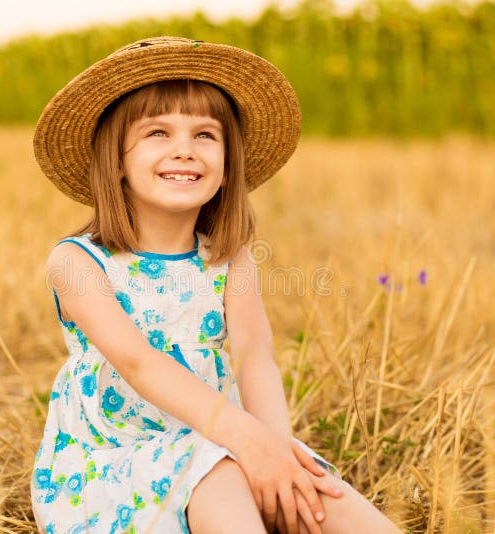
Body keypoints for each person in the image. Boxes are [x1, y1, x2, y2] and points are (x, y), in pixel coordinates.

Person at [31, 36, 399, 534]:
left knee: (322, 496)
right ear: (115, 161)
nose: (184, 149)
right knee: (218, 472)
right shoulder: (77, 262)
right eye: (157, 133)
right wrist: (244, 439)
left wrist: (274, 450)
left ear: (227, 167)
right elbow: (139, 363)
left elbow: (254, 355)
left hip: (228, 438)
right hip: (117, 463)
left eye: (205, 135)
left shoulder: (229, 260)